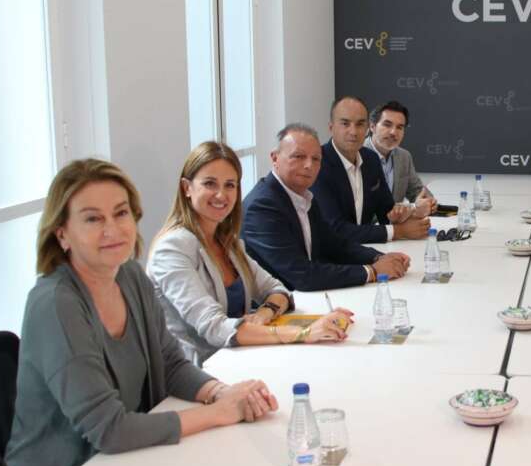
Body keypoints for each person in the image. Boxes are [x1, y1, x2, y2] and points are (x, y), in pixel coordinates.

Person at [5, 159, 278, 466]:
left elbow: (171, 364)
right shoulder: (55, 303)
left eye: (121, 214)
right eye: (92, 219)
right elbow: (110, 429)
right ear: (61, 233)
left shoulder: (130, 276)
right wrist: (219, 413)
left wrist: (221, 392)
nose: (112, 230)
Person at [148, 142, 355, 364]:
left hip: (243, 359)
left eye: (230, 185)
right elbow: (214, 327)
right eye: (210, 183)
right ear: (186, 188)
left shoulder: (227, 242)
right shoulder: (171, 249)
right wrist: (303, 333)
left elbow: (278, 291)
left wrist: (264, 313)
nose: (221, 195)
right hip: (200, 374)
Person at [242, 124, 410, 291]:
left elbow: (335, 244)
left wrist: (379, 258)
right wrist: (372, 271)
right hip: (277, 308)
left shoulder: (305, 196)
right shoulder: (262, 207)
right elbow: (302, 275)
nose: (309, 165)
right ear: (274, 158)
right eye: (298, 156)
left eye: (316, 159)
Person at [311, 96, 431, 244]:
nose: (353, 132)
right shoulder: (317, 163)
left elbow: (386, 212)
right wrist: (399, 231)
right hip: (328, 257)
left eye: (360, 124)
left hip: (364, 248)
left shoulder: (371, 159)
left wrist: (403, 216)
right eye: (345, 123)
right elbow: (336, 229)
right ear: (331, 127)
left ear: (367, 128)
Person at [363, 100, 437, 213]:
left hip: (397, 226)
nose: (393, 132)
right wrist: (413, 208)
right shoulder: (357, 154)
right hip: (367, 228)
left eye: (399, 127)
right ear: (372, 126)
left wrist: (428, 202)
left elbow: (416, 191)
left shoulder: (404, 157)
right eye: (387, 125)